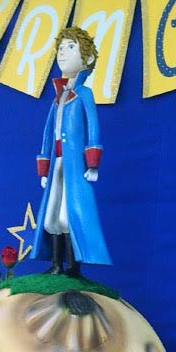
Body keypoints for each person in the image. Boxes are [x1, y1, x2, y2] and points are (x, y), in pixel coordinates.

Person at [30, 26, 112, 276]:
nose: (63, 53)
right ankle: (56, 265)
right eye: (61, 48)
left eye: (70, 47)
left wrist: (92, 164)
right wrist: (44, 168)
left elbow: (93, 129)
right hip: (57, 163)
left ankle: (73, 268)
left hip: (75, 166)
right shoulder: (58, 98)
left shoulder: (84, 94)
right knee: (51, 214)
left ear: (88, 58)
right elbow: (48, 134)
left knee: (70, 214)